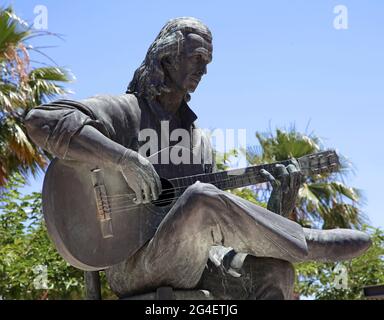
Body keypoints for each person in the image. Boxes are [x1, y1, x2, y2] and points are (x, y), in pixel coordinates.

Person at [24, 17, 371, 300]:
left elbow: (222, 230)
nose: (203, 69)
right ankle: (304, 242)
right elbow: (41, 120)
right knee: (202, 198)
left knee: (275, 271)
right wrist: (125, 160)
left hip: (195, 260)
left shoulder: (198, 140)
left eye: (207, 61)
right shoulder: (126, 110)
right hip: (132, 263)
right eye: (196, 58)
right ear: (167, 57)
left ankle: (289, 241)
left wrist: (279, 205)